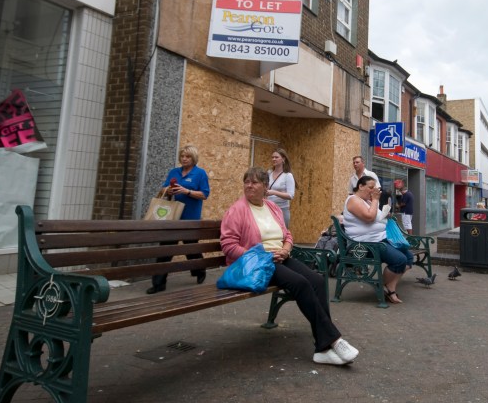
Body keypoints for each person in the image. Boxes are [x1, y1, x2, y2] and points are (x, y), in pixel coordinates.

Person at [220, 167, 359, 365]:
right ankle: (332, 341)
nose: (249, 186)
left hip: (280, 257)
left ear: (265, 187)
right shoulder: (237, 210)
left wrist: (286, 248)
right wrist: (262, 256)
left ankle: (323, 346)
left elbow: (287, 235)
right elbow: (228, 246)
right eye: (246, 182)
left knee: (317, 280)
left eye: (254, 182)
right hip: (256, 264)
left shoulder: (273, 208)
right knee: (300, 283)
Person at [148, 144, 211, 294]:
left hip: (190, 219)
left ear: (194, 158)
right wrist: (168, 190)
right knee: (165, 250)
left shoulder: (200, 173)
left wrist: (187, 191)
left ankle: (200, 270)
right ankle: (158, 283)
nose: (184, 158)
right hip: (173, 218)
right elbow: (163, 190)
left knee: (191, 250)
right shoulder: (174, 172)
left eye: (187, 156)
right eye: (182, 156)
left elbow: (204, 194)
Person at [343, 175, 412, 304]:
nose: (373, 190)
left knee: (408, 258)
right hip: (364, 245)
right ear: (360, 186)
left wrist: (386, 214)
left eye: (375, 188)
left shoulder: (367, 201)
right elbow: (369, 217)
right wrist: (375, 200)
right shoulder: (353, 199)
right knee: (399, 260)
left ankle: (388, 286)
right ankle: (385, 288)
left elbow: (377, 217)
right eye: (370, 187)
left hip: (380, 239)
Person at [266, 148, 296, 228]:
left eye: (276, 157)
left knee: (282, 235)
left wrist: (273, 192)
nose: (274, 159)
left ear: (283, 159)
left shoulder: (288, 175)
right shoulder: (269, 173)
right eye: (272, 157)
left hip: (282, 210)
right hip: (268, 208)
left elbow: (290, 195)